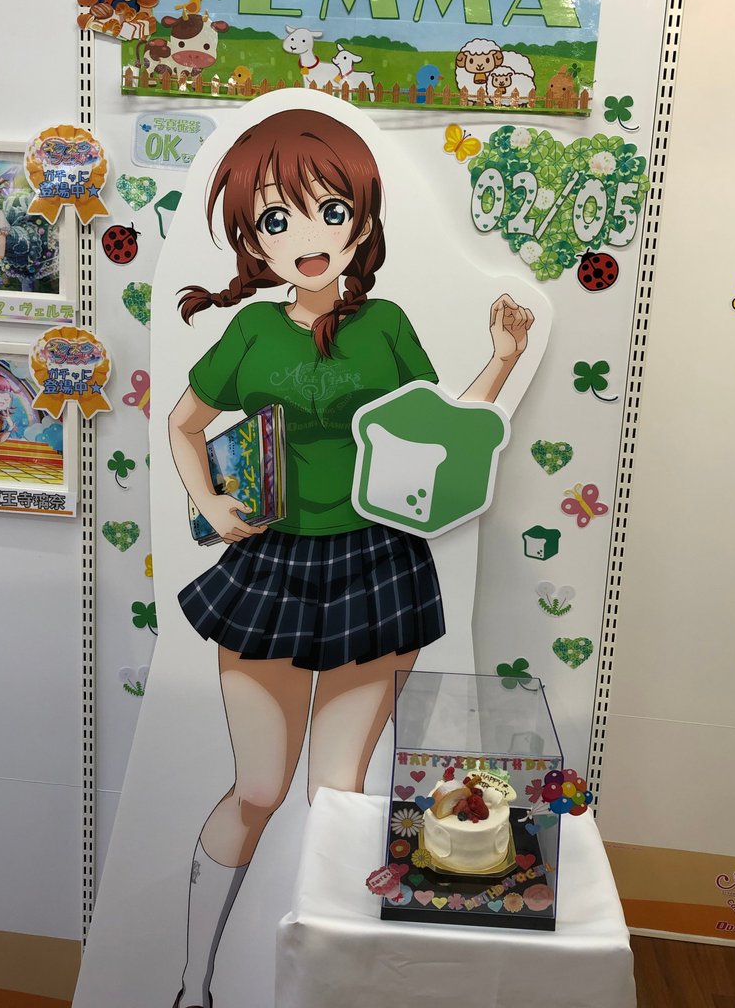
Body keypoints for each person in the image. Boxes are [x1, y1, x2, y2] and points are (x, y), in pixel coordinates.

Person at [167, 107, 535, 1008]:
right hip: (272, 567)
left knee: (336, 796)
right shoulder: (252, 332)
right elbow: (184, 424)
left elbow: (439, 429)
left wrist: (501, 361)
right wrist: (209, 504)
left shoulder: (386, 322)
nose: (309, 237)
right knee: (259, 788)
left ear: (361, 220)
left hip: (376, 561)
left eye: (331, 211)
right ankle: (191, 986)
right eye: (278, 217)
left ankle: (316, 990)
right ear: (253, 237)